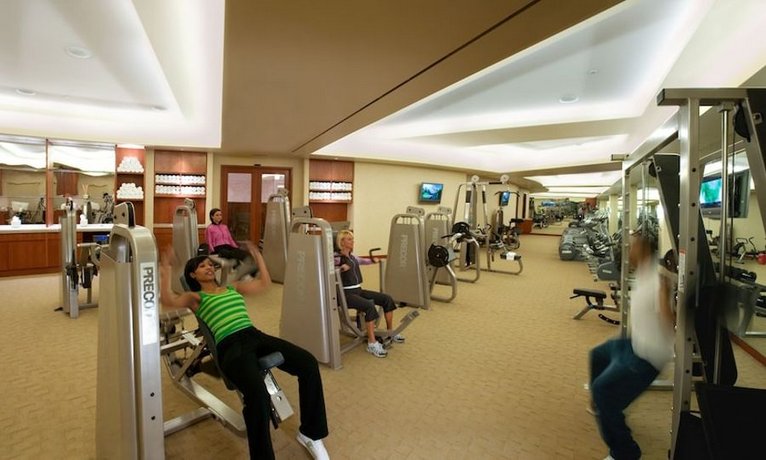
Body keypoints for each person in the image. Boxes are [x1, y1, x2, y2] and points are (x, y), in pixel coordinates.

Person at [160, 241, 330, 460]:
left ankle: (310, 434)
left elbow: (264, 284)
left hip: (254, 335)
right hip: (230, 346)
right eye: (202, 266)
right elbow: (168, 301)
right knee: (257, 396)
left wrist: (257, 256)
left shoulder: (232, 287)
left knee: (307, 363)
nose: (209, 267)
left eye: (209, 264)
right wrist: (166, 268)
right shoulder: (196, 298)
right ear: (193, 275)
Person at [588, 230, 676, 460]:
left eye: (632, 246)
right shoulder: (643, 272)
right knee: (597, 355)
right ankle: (603, 406)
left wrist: (666, 296)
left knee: (602, 390)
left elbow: (670, 322)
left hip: (647, 356)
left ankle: (625, 452)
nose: (628, 250)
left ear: (644, 249)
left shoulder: (658, 280)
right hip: (633, 344)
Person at [335, 229, 404, 358]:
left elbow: (363, 261)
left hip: (358, 290)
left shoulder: (353, 257)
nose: (353, 241)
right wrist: (341, 268)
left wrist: (373, 260)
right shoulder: (337, 258)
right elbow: (332, 267)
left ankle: (390, 332)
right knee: (369, 306)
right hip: (345, 294)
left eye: (352, 239)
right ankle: (372, 343)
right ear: (341, 242)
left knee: (387, 299)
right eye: (349, 239)